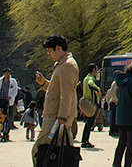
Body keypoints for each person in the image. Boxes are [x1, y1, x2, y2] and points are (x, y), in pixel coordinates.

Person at [31, 34, 80, 167]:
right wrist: (44, 84)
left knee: (39, 149)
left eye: (50, 51)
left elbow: (67, 93)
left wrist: (62, 116)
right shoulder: (61, 65)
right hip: (57, 115)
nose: (49, 55)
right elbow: (57, 90)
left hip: (56, 116)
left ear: (58, 48)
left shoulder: (67, 65)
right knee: (62, 151)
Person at [0, 68, 19, 137]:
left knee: (7, 118)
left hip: (7, 102)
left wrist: (10, 96)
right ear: (3, 74)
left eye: (9, 73)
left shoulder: (13, 82)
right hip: (0, 100)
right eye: (6, 73)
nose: (8, 75)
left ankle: (6, 131)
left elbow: (15, 91)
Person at [81, 63, 102, 148]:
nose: (97, 72)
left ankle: (85, 140)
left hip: (86, 104)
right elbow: (91, 84)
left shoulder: (85, 78)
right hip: (91, 104)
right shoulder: (90, 78)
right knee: (89, 123)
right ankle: (85, 141)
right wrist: (98, 89)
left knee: (88, 123)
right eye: (96, 70)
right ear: (93, 70)